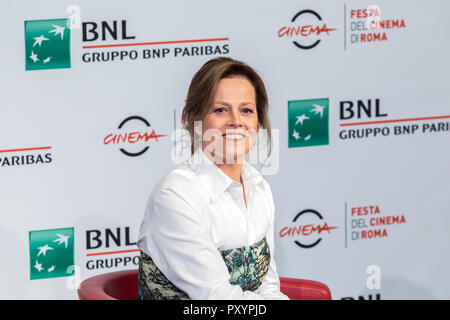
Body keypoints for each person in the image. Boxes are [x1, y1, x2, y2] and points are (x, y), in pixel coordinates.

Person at [137, 57, 289, 300]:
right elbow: (219, 299)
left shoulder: (260, 188)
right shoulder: (175, 196)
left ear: (258, 122)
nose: (236, 121)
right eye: (220, 110)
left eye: (246, 110)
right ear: (193, 121)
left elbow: (268, 287)